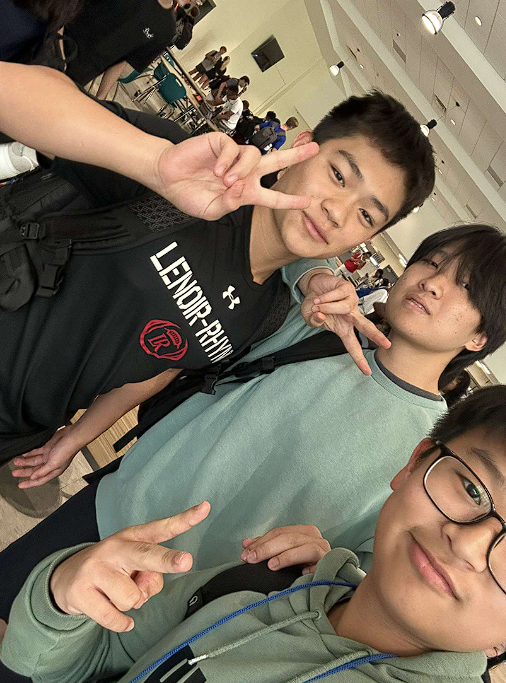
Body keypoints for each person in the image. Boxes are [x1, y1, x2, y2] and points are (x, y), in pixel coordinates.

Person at [5, 219, 506, 679]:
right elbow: (274, 238)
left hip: (197, 603)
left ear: (481, 336)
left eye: (465, 286)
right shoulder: (318, 328)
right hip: (113, 511)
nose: (432, 283)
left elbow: (377, 582)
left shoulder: (437, 459)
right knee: (19, 622)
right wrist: (315, 277)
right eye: (431, 262)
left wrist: (328, 563)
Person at [0, 89, 434, 500]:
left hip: (23, 426)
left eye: (366, 215)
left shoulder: (266, 312)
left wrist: (78, 435)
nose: (337, 212)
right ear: (302, 147)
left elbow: (162, 364)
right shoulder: (186, 175)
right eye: (337, 175)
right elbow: (28, 100)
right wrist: (152, 160)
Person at [3, 385, 506, 682]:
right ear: (416, 462)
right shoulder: (266, 583)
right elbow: (79, 665)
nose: (467, 543)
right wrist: (61, 600)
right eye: (471, 488)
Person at [64, 0, 188, 98]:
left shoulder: (166, 29)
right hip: (60, 42)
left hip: (78, 75)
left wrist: (100, 97)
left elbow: (123, 60)